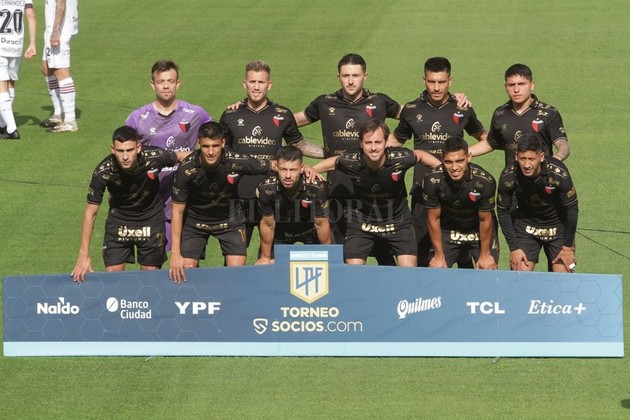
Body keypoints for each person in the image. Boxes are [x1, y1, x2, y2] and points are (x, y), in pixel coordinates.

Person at [392, 57, 487, 266]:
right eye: (431, 81)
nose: (436, 87)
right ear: (424, 80)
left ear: (450, 81)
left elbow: (486, 139)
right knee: (422, 249)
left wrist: (461, 156)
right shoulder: (412, 109)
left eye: (442, 82)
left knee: (461, 251)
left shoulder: (462, 108)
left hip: (456, 190)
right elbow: (395, 141)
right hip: (423, 190)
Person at [220, 60, 322, 249]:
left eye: (261, 82)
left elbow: (299, 145)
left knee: (271, 255)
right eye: (252, 82)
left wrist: (330, 153)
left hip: (274, 197)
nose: (256, 87)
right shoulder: (230, 115)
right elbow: (220, 152)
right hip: (239, 196)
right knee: (236, 255)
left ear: (269, 85)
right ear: (244, 84)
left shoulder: (282, 114)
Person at [313, 119, 441, 266]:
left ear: (386, 142)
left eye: (378, 142)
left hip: (398, 221)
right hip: (361, 222)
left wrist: (442, 168)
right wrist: (311, 169)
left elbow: (420, 155)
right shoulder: (351, 160)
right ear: (361, 144)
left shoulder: (401, 158)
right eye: (368, 143)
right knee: (352, 269)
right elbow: (334, 162)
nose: (373, 148)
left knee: (408, 270)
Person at [168, 121, 274, 284]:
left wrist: (306, 169)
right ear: (198, 143)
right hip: (195, 222)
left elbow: (274, 165)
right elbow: (177, 211)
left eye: (215, 146)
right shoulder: (186, 169)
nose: (211, 152)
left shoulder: (236, 160)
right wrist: (176, 254)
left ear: (223, 143)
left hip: (229, 220)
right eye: (206, 146)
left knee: (237, 273)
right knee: (185, 270)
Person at [71, 126, 179, 282]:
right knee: (113, 277)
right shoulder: (103, 171)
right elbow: (90, 212)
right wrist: (83, 255)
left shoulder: (154, 157)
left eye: (129, 150)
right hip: (119, 221)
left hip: (150, 219)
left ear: (138, 148)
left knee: (150, 276)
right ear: (113, 149)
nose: (125, 156)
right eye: (120, 151)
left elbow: (182, 156)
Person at [125, 60, 212, 250]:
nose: (166, 86)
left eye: (170, 81)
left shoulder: (196, 114)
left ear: (177, 84)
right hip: (151, 198)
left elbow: (218, 139)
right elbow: (123, 152)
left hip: (187, 197)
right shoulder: (137, 118)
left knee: (188, 260)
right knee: (152, 260)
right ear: (153, 84)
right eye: (161, 81)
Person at [497, 133, 578, 272]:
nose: (526, 165)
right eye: (522, 159)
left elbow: (572, 209)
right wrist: (514, 248)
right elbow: (502, 211)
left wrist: (567, 248)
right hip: (526, 228)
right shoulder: (508, 176)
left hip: (558, 227)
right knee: (518, 276)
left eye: (531, 159)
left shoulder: (559, 174)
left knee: (563, 277)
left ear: (541, 157)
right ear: (516, 156)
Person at [469, 63, 570, 166]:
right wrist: (462, 153)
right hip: (511, 175)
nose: (516, 90)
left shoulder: (549, 113)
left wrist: (556, 159)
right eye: (511, 85)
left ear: (532, 85)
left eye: (521, 84)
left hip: (542, 175)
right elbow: (490, 143)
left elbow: (562, 144)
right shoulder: (500, 113)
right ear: (505, 87)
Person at [423, 137, 499, 269]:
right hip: (448, 229)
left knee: (487, 268)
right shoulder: (432, 180)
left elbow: (485, 220)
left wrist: (485, 254)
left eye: (459, 161)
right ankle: (463, 257)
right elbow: (433, 219)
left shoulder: (484, 181)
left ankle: (467, 257)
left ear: (469, 157)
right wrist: (439, 256)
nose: (454, 168)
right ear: (442, 159)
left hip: (477, 229)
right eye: (448, 162)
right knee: (436, 270)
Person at [255, 146, 332, 265]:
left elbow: (321, 224)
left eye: (293, 170)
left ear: (302, 168)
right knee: (267, 265)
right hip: (281, 231)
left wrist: (328, 256)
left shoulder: (317, 187)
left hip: (310, 230)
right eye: (283, 169)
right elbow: (268, 224)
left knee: (324, 264)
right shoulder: (266, 189)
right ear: (276, 167)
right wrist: (265, 257)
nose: (287, 175)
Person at [40, 0, 79, 133]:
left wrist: (56, 30)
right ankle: (59, 113)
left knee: (60, 70)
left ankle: (70, 120)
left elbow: (61, 2)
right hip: (56, 27)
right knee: (46, 68)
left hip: (60, 29)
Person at [0, 0, 36, 140]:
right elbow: (31, 15)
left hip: (1, 45)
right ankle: (2, 123)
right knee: (10, 83)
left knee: (1, 85)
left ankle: (11, 129)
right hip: (16, 47)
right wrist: (32, 44)